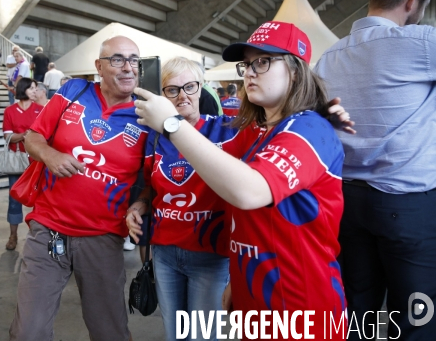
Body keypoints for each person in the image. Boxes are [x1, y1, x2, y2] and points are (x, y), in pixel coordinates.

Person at [134, 22, 351, 338]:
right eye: (246, 64)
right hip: (254, 296)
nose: (249, 72)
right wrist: (239, 277)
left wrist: (171, 124)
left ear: (295, 71)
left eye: (262, 61)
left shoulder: (308, 130)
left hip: (300, 306)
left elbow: (249, 192)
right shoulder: (256, 133)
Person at [315, 0, 436, 340]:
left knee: (358, 312)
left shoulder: (329, 57)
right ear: (414, 0)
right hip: (407, 203)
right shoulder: (420, 44)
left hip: (346, 203)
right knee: (416, 315)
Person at [9, 36, 148, 341]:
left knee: (109, 331)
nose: (128, 68)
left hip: (102, 236)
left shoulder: (146, 115)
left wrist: (139, 206)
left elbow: (152, 181)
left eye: (134, 60)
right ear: (99, 66)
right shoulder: (74, 91)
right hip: (50, 231)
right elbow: (33, 138)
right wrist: (50, 155)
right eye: (117, 59)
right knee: (28, 332)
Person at [126, 57, 231, 341]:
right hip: (165, 254)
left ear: (202, 89)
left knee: (201, 336)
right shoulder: (156, 138)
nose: (183, 95)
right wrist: (138, 205)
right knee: (175, 335)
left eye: (190, 86)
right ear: (162, 97)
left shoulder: (226, 131)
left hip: (210, 255)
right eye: (172, 90)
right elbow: (150, 187)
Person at [2, 78, 44, 250]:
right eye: (32, 88)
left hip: (37, 162)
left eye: (36, 89)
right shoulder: (10, 111)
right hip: (17, 161)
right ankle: (13, 235)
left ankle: (37, 236)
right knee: (14, 200)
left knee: (39, 200)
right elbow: (8, 137)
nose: (35, 91)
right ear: (23, 89)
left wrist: (24, 136)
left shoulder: (41, 110)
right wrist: (26, 134)